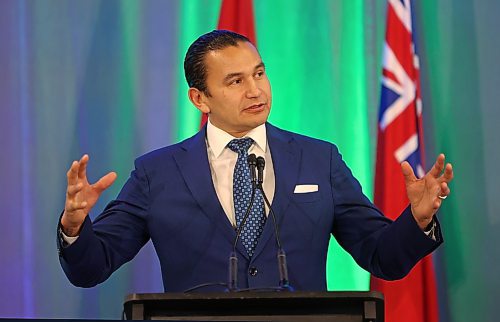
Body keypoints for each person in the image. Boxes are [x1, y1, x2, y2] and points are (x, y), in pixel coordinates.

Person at [58, 30, 453, 292]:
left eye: (259, 73)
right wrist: (75, 228)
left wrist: (416, 220)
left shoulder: (319, 159)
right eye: (235, 81)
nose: (256, 90)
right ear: (200, 99)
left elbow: (381, 256)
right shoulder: (156, 173)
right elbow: (92, 268)